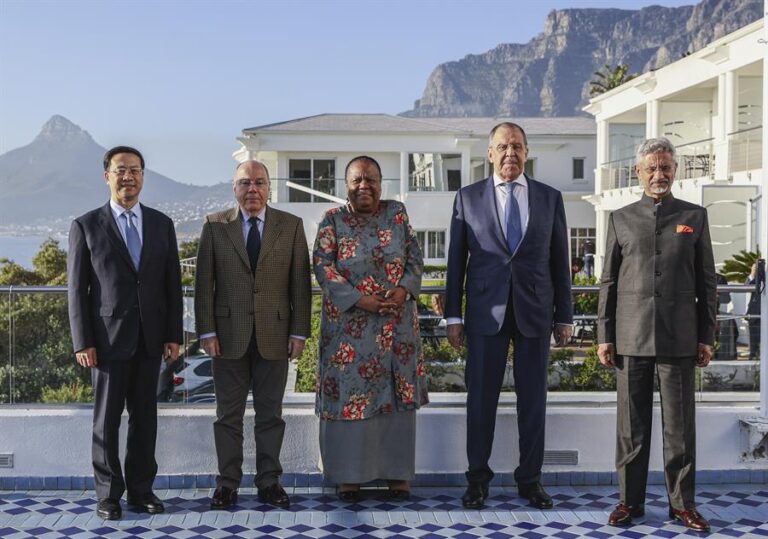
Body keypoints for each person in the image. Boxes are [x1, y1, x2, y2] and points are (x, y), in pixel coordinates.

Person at [445, 122, 573, 510]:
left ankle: (530, 480)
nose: (510, 153)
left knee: (533, 401)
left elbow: (560, 261)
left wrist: (565, 316)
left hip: (535, 311)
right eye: (502, 147)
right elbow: (456, 262)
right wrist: (453, 316)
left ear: (527, 152)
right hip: (485, 313)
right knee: (480, 400)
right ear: (489, 153)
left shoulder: (550, 198)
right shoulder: (467, 198)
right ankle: (477, 480)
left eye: (517, 146)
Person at [597, 137, 716, 532]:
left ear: (675, 170)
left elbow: (707, 282)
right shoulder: (620, 218)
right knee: (631, 428)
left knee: (679, 429)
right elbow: (608, 282)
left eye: (665, 167)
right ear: (639, 172)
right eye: (651, 168)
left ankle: (682, 505)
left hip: (680, 337)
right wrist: (604, 335)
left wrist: (706, 336)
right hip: (630, 338)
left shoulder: (694, 216)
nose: (659, 174)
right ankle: (629, 503)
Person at [67, 146, 183, 520]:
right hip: (105, 342)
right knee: (106, 421)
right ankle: (107, 495)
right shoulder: (86, 225)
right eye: (120, 170)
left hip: (151, 339)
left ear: (143, 176)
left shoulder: (162, 224)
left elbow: (172, 285)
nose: (128, 176)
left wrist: (174, 334)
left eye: (134, 170)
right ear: (107, 176)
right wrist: (83, 341)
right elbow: (76, 290)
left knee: (145, 420)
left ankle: (141, 491)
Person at [195, 160, 312, 509]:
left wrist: (299, 332)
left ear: (269, 188)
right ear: (234, 188)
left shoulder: (291, 226)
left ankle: (269, 482)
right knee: (227, 417)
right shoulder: (215, 226)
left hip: (275, 335)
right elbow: (203, 285)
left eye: (259, 182)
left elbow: (300, 285)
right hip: (226, 337)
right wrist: (207, 331)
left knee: (270, 415)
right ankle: (227, 484)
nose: (252, 189)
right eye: (245, 183)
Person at [313, 156, 428, 502]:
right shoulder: (332, 220)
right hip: (349, 331)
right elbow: (323, 267)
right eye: (357, 180)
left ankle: (397, 475)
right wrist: (362, 301)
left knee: (395, 400)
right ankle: (348, 477)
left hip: (396, 327)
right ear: (346, 185)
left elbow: (415, 258)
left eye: (371, 179)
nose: (364, 186)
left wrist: (404, 290)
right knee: (349, 400)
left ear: (381, 183)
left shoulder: (397, 214)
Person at [746, 261, 763, 360]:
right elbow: (746, 287)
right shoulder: (757, 276)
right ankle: (753, 358)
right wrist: (752, 273)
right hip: (755, 312)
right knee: (754, 342)